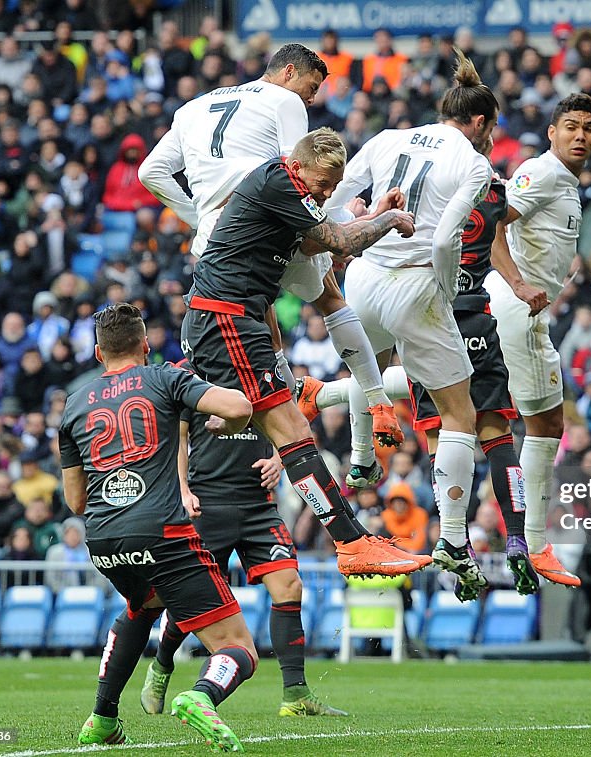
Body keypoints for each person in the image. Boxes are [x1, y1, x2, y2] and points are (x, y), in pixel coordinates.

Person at [180, 127, 427, 578]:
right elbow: (342, 242)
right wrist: (387, 221)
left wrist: (368, 213)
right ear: (298, 167)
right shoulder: (279, 181)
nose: (328, 194)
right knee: (293, 432)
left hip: (236, 320)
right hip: (226, 318)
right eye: (323, 185)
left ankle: (233, 412)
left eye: (334, 187)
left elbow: (321, 237)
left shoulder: (286, 190)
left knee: (285, 425)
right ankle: (352, 543)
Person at [295, 151, 542, 598]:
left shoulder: (427, 194)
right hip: (473, 319)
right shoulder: (492, 194)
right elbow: (510, 212)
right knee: (496, 436)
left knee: (441, 433)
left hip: (426, 311)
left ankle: (453, 537)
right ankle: (519, 538)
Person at [138, 44, 403, 450]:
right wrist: (349, 216)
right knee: (330, 296)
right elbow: (304, 179)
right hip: (269, 220)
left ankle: (290, 396)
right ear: (288, 72)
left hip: (217, 237)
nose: (311, 98)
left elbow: (150, 171)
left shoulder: (191, 108)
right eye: (311, 87)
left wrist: (199, 217)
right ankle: (377, 399)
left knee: (264, 317)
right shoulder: (284, 100)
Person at [319, 50, 504, 597]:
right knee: (459, 413)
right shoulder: (473, 163)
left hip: (364, 276)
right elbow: (447, 238)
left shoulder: (386, 139)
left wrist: (349, 239)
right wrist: (443, 287)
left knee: (371, 365)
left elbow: (330, 198)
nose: (492, 138)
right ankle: (451, 538)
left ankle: (360, 462)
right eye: (491, 128)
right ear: (478, 122)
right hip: (416, 283)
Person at [58, 303, 258, 750]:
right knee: (238, 646)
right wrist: (226, 425)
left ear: (97, 353)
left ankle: (102, 717)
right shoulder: (165, 377)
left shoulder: (73, 405)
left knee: (143, 605)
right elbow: (239, 405)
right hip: (163, 532)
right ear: (145, 346)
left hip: (104, 539)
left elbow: (75, 501)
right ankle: (202, 697)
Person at [138, 360, 346, 719]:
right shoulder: (187, 373)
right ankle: (161, 665)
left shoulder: (264, 370)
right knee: (192, 600)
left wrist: (280, 462)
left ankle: (295, 694)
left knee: (289, 586)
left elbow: (290, 428)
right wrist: (183, 490)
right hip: (208, 505)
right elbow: (179, 437)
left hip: (258, 506)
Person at [482, 92, 591, 587]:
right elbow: (489, 220)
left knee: (449, 386)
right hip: (516, 309)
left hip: (509, 306)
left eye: (589, 128)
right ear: (552, 131)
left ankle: (334, 392)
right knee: (547, 422)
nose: (580, 135)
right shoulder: (544, 173)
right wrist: (518, 283)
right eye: (570, 125)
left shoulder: (565, 182)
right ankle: (532, 544)